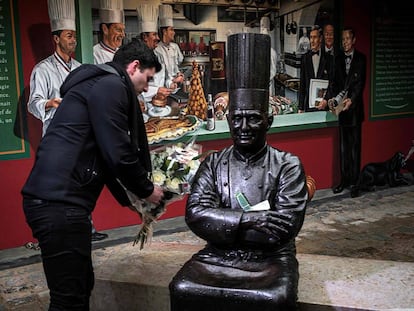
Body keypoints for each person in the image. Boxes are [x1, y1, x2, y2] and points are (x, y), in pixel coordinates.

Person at [22, 39, 165, 310]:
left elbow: (106, 157)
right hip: (59, 204)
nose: (147, 88)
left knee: (81, 285)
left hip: (58, 202)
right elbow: (118, 151)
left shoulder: (97, 85)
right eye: (147, 79)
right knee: (69, 299)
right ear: (134, 67)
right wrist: (147, 189)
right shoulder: (111, 86)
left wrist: (135, 202)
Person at [169, 33, 308, 311]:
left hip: (271, 258)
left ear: (268, 121)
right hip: (217, 256)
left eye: (253, 118)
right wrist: (249, 221)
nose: (244, 127)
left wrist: (224, 223)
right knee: (181, 287)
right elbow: (195, 216)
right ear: (229, 120)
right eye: (237, 119)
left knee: (274, 298)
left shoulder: (287, 165)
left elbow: (283, 229)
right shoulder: (214, 163)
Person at [28, 0, 81, 137]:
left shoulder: (79, 67)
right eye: (69, 36)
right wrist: (50, 103)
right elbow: (33, 104)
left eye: (75, 36)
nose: (74, 40)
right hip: (56, 134)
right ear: (56, 39)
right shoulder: (42, 69)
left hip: (79, 133)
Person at [327, 27, 367, 194]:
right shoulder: (337, 59)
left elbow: (360, 84)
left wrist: (353, 99)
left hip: (355, 110)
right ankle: (344, 181)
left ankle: (355, 184)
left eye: (347, 39)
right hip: (342, 110)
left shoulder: (361, 59)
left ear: (354, 40)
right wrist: (330, 99)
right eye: (343, 40)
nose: (345, 43)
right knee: (344, 148)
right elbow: (334, 83)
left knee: (355, 148)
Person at [298, 25, 333, 112]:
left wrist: (326, 99)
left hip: (324, 105)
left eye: (315, 37)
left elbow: (332, 83)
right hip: (309, 106)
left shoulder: (329, 59)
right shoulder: (305, 58)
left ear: (320, 39)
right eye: (311, 37)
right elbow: (302, 84)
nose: (312, 41)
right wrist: (300, 107)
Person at [155, 4, 184, 90]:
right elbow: (159, 75)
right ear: (164, 31)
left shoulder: (175, 47)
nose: (174, 32)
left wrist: (179, 73)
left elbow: (177, 65)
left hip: (175, 88)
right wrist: (173, 81)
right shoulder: (157, 50)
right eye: (171, 29)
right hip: (163, 89)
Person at [93, 0, 125, 64]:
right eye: (118, 30)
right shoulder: (94, 53)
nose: (123, 35)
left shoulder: (122, 54)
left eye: (123, 30)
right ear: (105, 29)